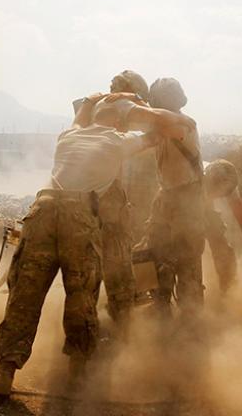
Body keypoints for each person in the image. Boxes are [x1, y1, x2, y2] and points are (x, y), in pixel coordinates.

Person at [0, 91, 194, 400]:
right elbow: (174, 128)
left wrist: (104, 98)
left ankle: (4, 373)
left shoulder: (68, 135)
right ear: (118, 122)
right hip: (79, 216)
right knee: (81, 295)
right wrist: (141, 108)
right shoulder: (118, 142)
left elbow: (83, 112)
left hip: (42, 211)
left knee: (25, 294)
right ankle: (77, 376)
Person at [73, 70, 149, 331]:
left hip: (81, 202)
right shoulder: (119, 113)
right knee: (120, 276)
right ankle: (121, 337)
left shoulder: (90, 107)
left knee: (87, 277)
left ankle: (84, 347)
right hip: (108, 203)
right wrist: (135, 98)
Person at [144, 77, 206, 319]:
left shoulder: (184, 125)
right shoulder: (163, 124)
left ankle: (190, 322)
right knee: (156, 254)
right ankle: (162, 309)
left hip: (187, 199)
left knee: (188, 261)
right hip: (168, 196)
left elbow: (171, 131)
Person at [202, 159, 242, 292]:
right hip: (176, 207)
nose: (222, 196)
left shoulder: (228, 184)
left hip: (206, 209)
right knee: (185, 252)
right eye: (218, 192)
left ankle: (228, 295)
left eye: (224, 193)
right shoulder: (193, 180)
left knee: (224, 253)